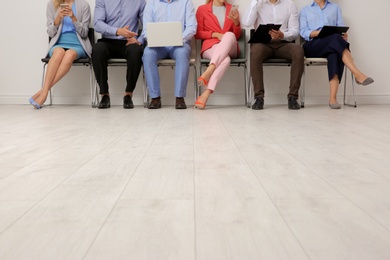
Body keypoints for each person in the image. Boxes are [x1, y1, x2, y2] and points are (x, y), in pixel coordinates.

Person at [300, 0, 374, 109]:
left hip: (333, 44)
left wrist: (344, 36)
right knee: (335, 40)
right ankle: (357, 74)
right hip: (313, 46)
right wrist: (320, 33)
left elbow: (340, 28)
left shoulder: (335, 8)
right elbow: (303, 32)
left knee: (334, 53)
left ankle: (333, 99)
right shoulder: (305, 10)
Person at [242, 0, 304, 110]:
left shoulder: (289, 5)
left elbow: (295, 31)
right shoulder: (258, 4)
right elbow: (246, 23)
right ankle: (259, 98)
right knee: (255, 51)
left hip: (283, 43)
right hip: (263, 44)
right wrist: (255, 2)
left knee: (298, 50)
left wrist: (282, 34)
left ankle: (293, 97)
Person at [29, 0, 92, 109]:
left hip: (77, 44)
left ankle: (43, 92)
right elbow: (50, 32)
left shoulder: (84, 5)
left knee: (69, 54)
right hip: (58, 43)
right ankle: (44, 93)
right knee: (59, 52)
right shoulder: (51, 5)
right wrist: (57, 19)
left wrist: (74, 18)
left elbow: (84, 33)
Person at [142, 0, 197, 109]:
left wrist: (178, 38)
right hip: (158, 46)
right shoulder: (152, 4)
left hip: (179, 45)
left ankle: (180, 98)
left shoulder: (186, 2)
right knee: (148, 53)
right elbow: (146, 30)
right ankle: (155, 98)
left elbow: (191, 27)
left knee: (182, 53)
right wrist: (154, 39)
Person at [92, 0, 146, 109]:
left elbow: (148, 24)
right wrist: (117, 31)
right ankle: (104, 95)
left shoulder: (139, 1)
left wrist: (139, 40)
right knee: (97, 50)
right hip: (108, 40)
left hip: (129, 41)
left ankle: (128, 94)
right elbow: (97, 24)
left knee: (136, 51)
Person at [194, 0, 241, 109]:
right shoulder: (202, 9)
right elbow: (197, 33)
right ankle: (206, 94)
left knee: (229, 35)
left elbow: (237, 36)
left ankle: (210, 70)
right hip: (211, 46)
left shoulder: (232, 9)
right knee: (225, 60)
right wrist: (214, 34)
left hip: (230, 47)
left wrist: (236, 23)